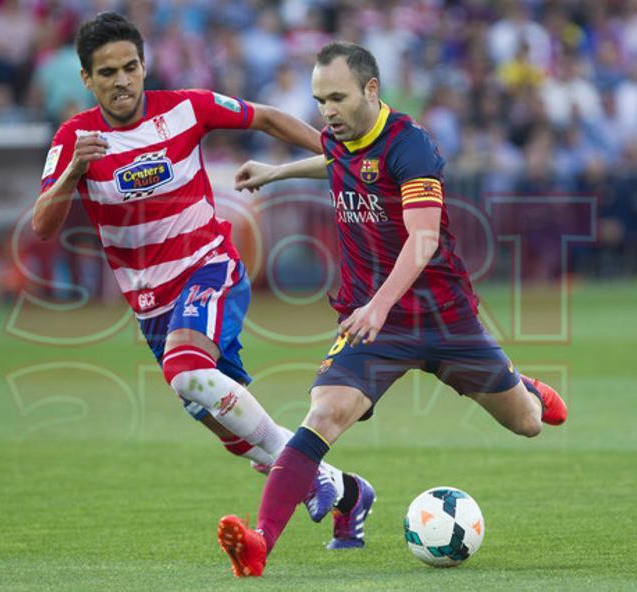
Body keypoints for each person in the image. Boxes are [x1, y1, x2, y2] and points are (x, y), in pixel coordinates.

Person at [217, 41, 568, 577]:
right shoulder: (340, 137)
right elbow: (335, 161)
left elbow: (423, 239)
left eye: (336, 97)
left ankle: (524, 387)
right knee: (323, 414)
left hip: (444, 319)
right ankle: (260, 541)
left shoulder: (412, 147)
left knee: (527, 424)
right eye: (319, 100)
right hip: (373, 323)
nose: (326, 111)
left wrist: (380, 305)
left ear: (371, 90)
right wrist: (276, 172)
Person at [31, 13, 372, 548]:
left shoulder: (185, 108)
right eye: (107, 72)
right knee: (227, 426)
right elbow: (43, 226)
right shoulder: (75, 138)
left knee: (186, 372)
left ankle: (314, 484)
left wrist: (338, 155)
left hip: (209, 268)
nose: (122, 81)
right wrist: (73, 171)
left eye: (130, 67)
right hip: (152, 307)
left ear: (144, 67)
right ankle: (343, 489)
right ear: (86, 80)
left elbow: (264, 117)